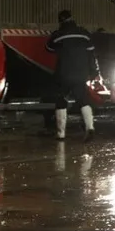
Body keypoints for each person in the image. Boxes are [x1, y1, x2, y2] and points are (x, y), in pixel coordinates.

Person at [45, 10, 100, 142]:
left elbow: (48, 48)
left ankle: (61, 134)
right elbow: (92, 54)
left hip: (64, 73)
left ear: (60, 21)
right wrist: (94, 72)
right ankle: (90, 127)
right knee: (83, 100)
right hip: (81, 73)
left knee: (61, 101)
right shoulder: (84, 33)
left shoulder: (58, 35)